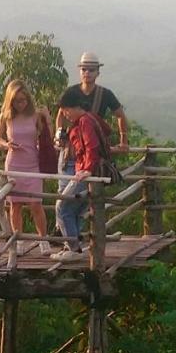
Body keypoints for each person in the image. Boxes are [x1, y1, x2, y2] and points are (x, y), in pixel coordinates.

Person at [54, 52, 128, 247]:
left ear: (98, 72)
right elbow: (60, 115)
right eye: (84, 69)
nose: (87, 73)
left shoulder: (104, 95)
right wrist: (59, 134)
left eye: (91, 69)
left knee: (69, 203)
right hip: (71, 153)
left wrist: (123, 140)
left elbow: (120, 116)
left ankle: (72, 245)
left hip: (87, 160)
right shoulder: (71, 92)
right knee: (70, 199)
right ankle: (71, 241)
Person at [50, 87, 109, 261]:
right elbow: (106, 131)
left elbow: (92, 146)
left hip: (87, 172)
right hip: (85, 171)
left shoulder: (84, 121)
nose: (66, 115)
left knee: (62, 206)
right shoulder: (89, 118)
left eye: (66, 111)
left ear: (74, 107)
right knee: (73, 210)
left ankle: (73, 248)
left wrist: (88, 169)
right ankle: (73, 247)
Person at [0, 80, 52, 253]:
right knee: (15, 205)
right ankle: (18, 239)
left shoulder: (35, 115)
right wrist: (6, 144)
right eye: (17, 101)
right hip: (14, 163)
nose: (21, 104)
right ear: (11, 100)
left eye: (24, 100)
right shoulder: (6, 115)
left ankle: (43, 239)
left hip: (32, 163)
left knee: (36, 204)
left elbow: (47, 135)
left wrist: (47, 118)